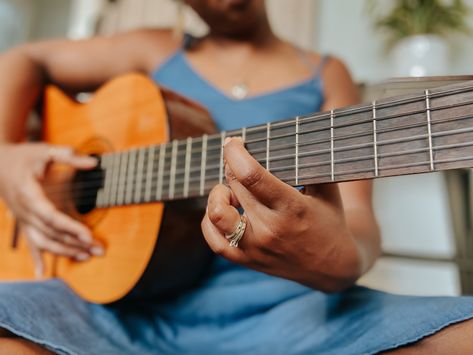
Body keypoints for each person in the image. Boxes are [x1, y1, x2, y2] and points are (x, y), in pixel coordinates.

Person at [0, 0, 473, 354]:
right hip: (121, 316)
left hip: (294, 320)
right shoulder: (153, 48)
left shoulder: (327, 73)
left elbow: (359, 226)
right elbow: (21, 59)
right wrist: (7, 155)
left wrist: (338, 259)